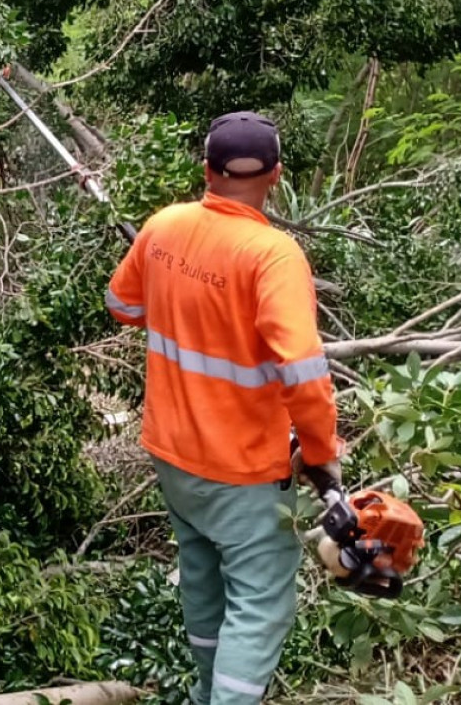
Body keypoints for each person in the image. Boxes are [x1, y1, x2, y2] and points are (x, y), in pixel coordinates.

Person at [104, 112, 340, 705]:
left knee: (204, 586)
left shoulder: (164, 227)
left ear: (205, 169)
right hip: (243, 473)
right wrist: (323, 460)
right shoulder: (273, 255)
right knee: (259, 609)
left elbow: (120, 305)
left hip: (173, 457)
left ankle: (207, 692)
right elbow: (305, 375)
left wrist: (174, 288)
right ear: (276, 176)